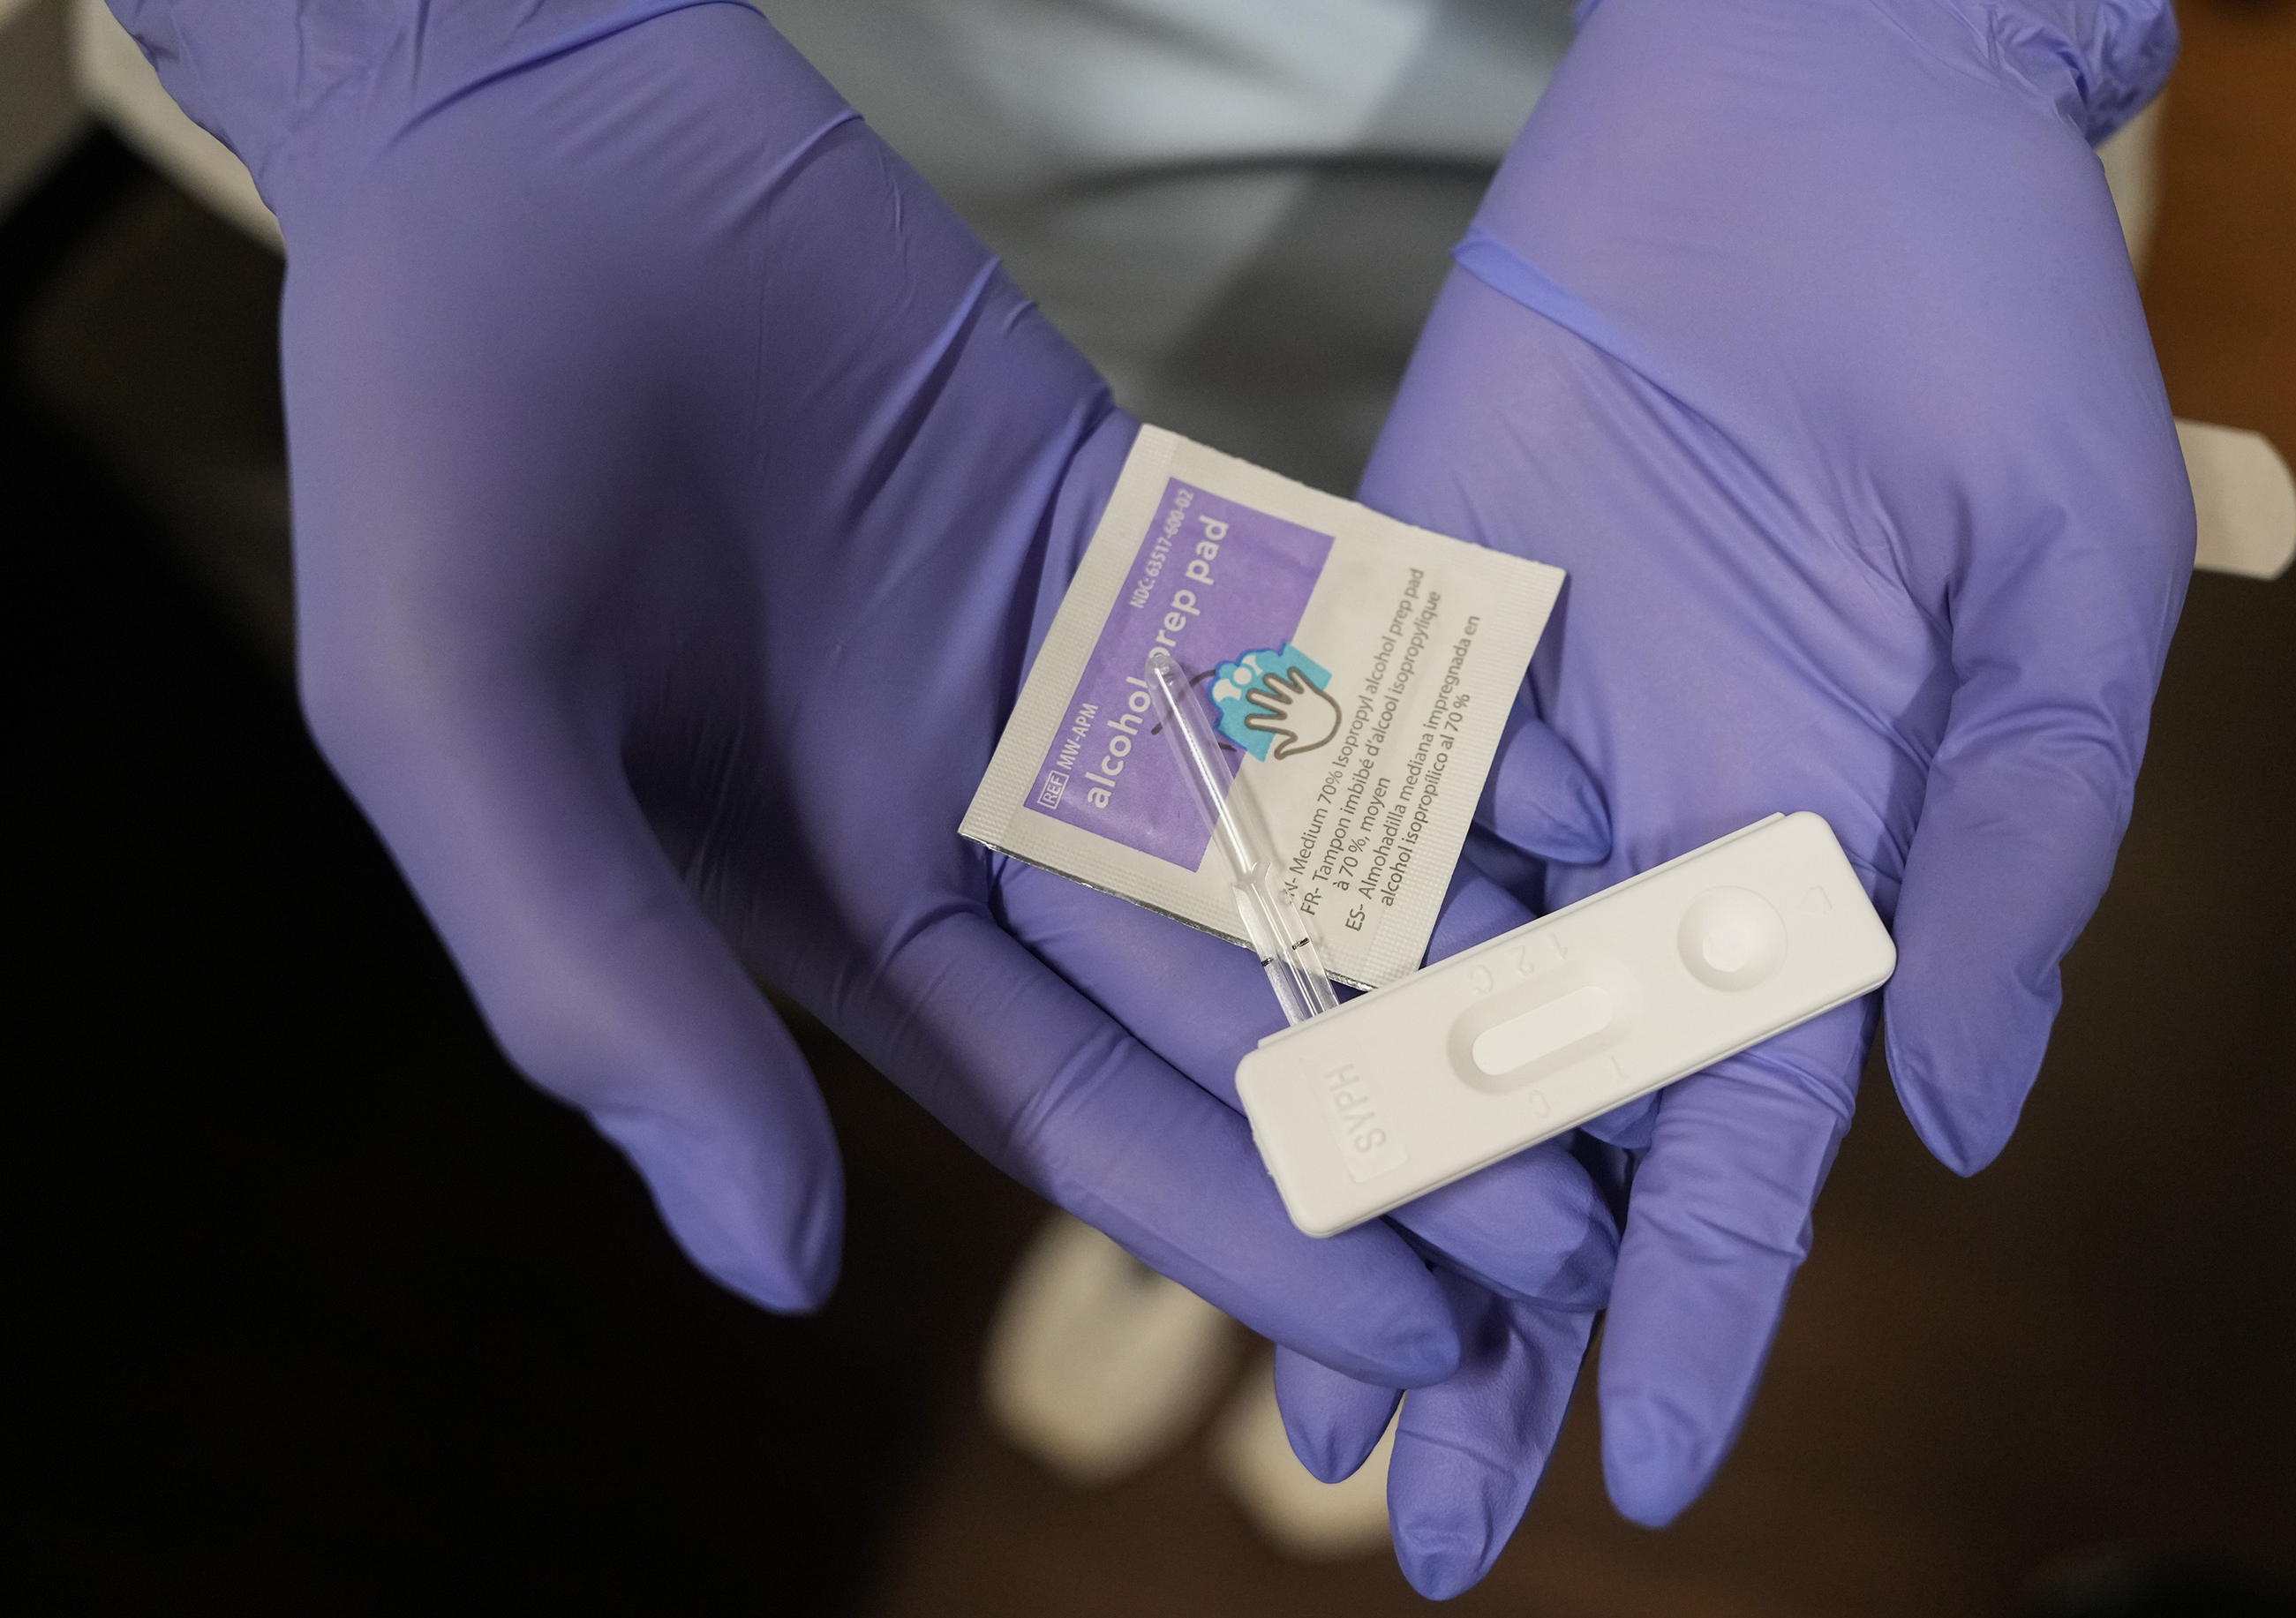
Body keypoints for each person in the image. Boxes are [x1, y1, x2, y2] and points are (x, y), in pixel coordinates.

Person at [104, 0, 2190, 1597]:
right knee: (1107, 871)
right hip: (776, 230)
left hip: (1724, 220)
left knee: (1567, 761)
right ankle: (1284, 1201)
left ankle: (1427, 1179)